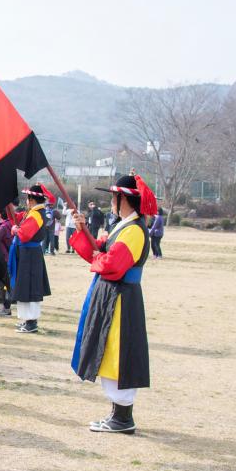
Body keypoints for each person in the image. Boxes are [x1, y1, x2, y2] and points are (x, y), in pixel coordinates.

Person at [70, 174, 156, 434]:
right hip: (111, 294)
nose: (111, 202)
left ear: (123, 199)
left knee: (119, 353)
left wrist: (100, 257)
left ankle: (122, 417)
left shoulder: (133, 230)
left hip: (121, 298)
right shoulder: (124, 226)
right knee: (110, 351)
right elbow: (97, 252)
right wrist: (81, 230)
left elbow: (113, 265)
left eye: (114, 197)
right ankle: (117, 414)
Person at [9, 184, 53, 333]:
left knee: (30, 288)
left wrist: (16, 230)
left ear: (32, 199)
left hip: (30, 254)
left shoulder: (36, 214)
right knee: (25, 287)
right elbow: (16, 219)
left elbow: (25, 233)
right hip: (28, 254)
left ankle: (31, 321)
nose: (26, 201)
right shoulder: (34, 212)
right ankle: (27, 320)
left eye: (28, 198)